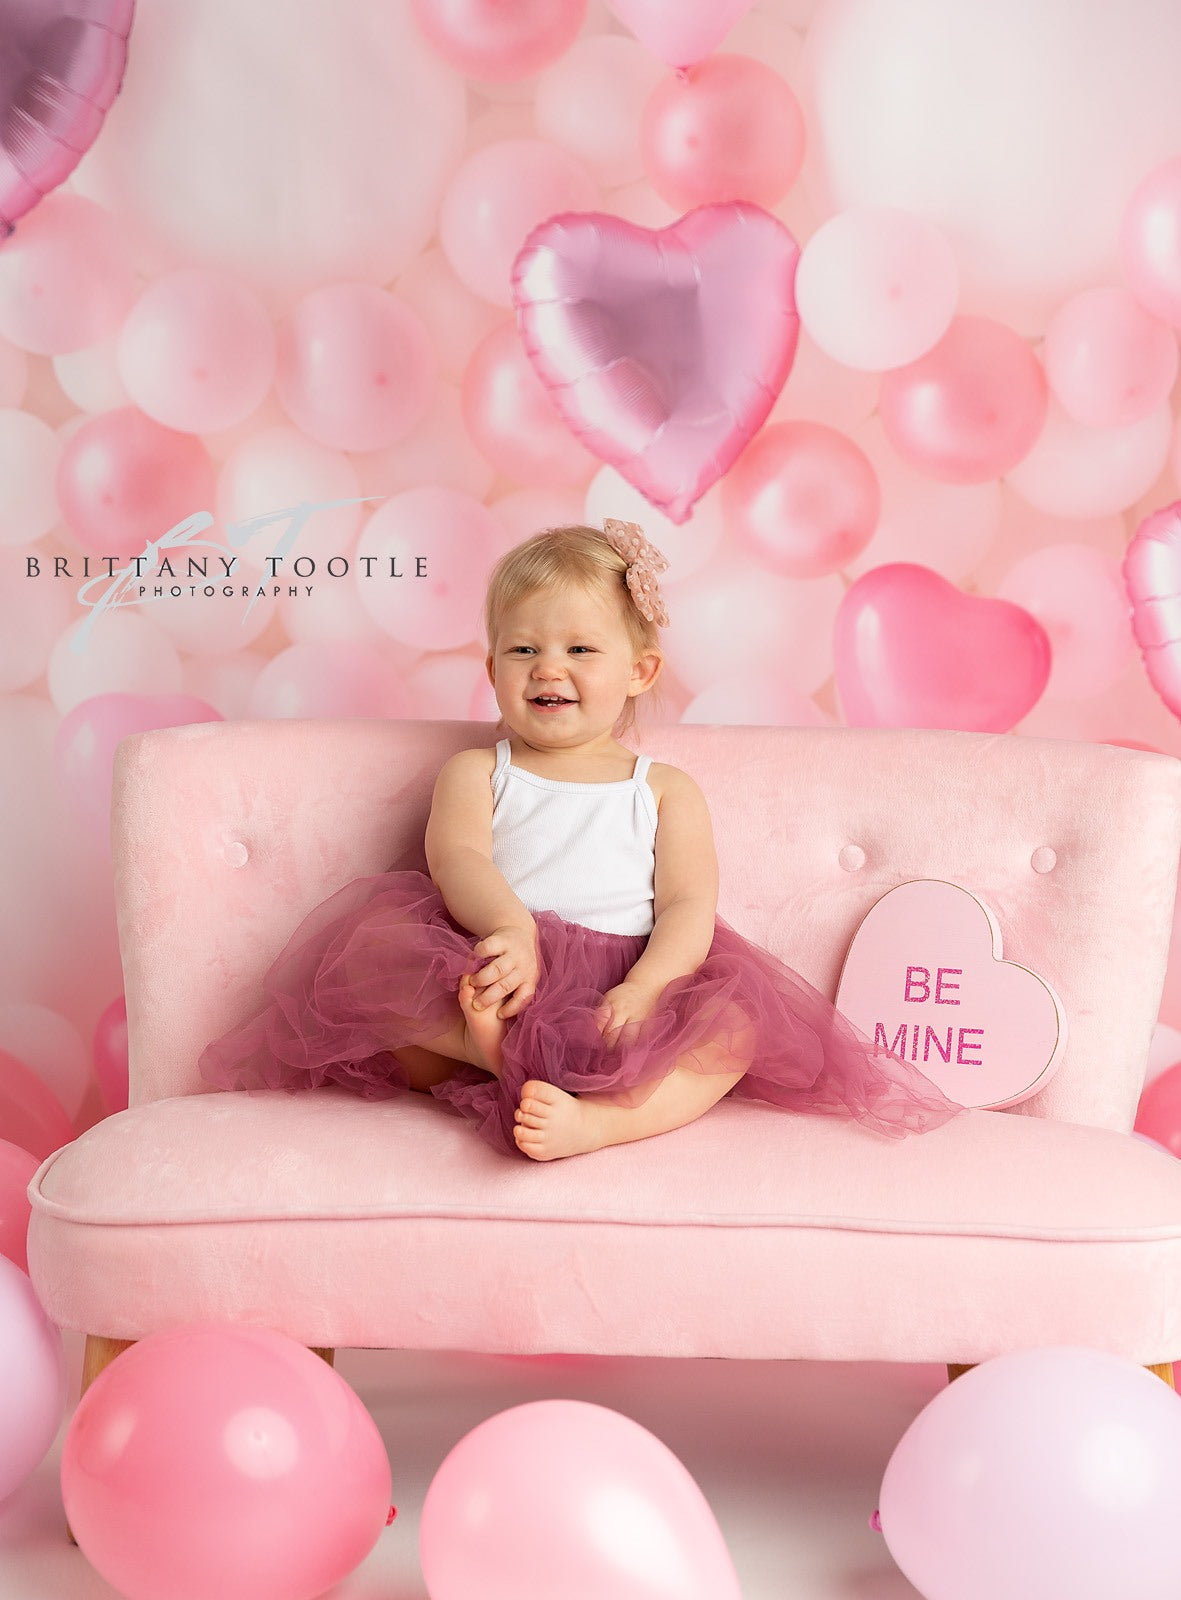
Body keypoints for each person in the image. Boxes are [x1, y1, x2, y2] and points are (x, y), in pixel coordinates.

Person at [198, 519, 966, 1161]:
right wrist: (508, 930)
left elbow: (688, 909)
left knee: (733, 1032)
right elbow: (456, 859)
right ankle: (491, 1052)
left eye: (579, 649)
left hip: (622, 991)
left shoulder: (662, 790)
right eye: (523, 649)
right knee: (372, 959)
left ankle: (602, 1120)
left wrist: (647, 986)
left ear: (640, 671)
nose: (548, 668)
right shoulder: (477, 771)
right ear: (492, 666)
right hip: (501, 969)